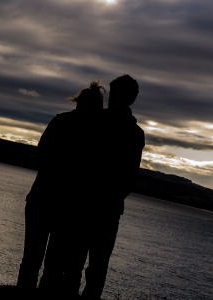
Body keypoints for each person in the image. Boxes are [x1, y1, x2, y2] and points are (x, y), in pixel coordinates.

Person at [60, 74, 146, 299]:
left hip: (91, 204)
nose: (112, 98)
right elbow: (128, 178)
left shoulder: (97, 122)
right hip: (103, 207)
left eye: (115, 93)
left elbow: (79, 161)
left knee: (81, 265)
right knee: (89, 267)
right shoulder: (132, 132)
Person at [16, 80, 107, 292]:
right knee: (53, 266)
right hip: (68, 207)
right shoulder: (97, 135)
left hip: (42, 199)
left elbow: (42, 155)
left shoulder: (60, 122)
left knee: (31, 260)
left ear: (78, 102)